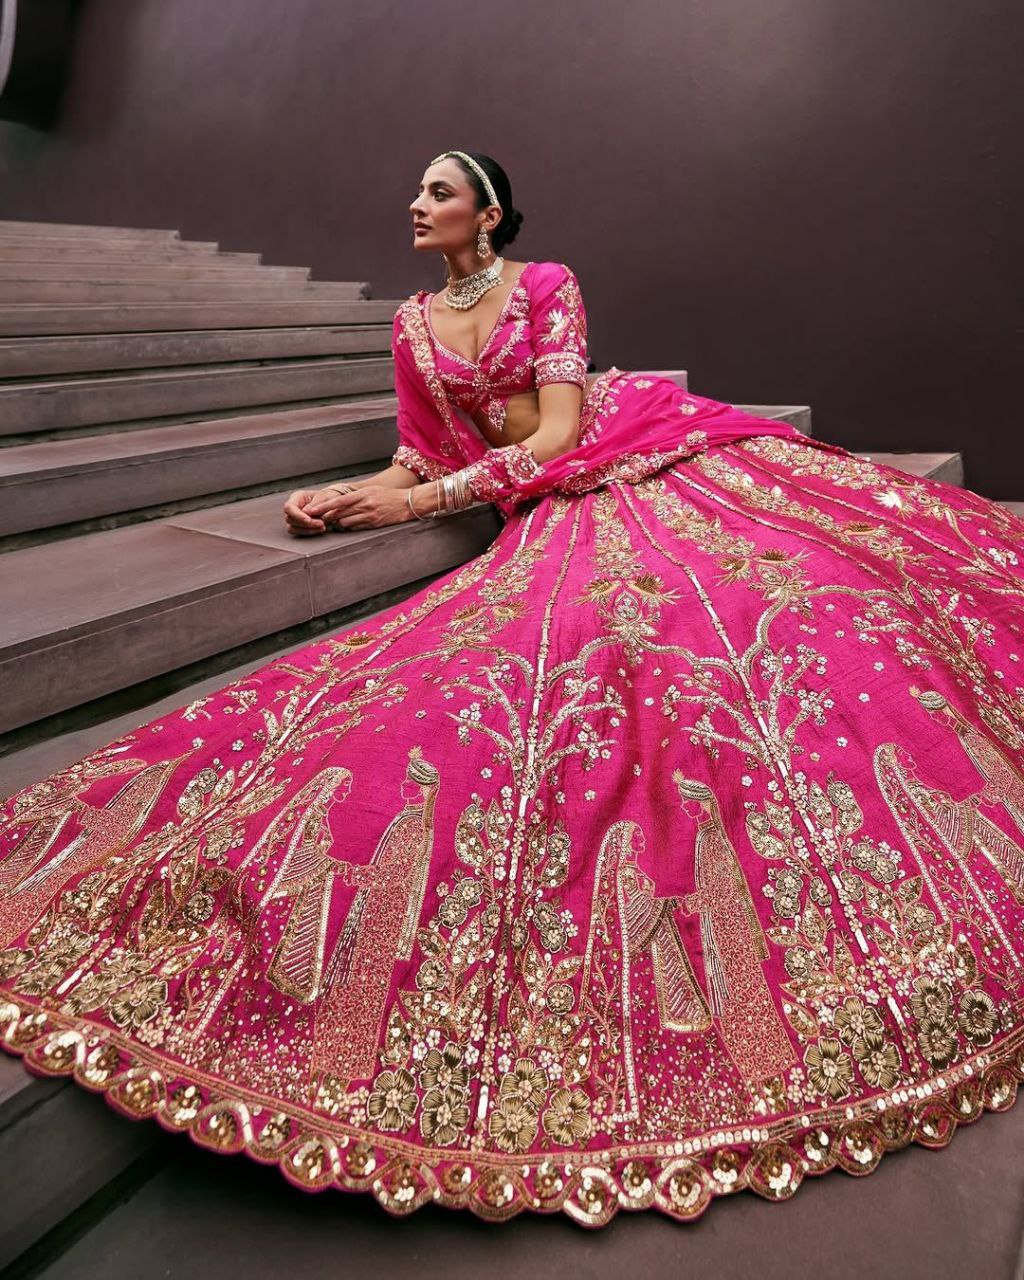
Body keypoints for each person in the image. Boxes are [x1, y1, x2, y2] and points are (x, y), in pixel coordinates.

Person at [1, 150, 1023, 1228]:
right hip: (524, 492)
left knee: (772, 584)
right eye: (417, 190)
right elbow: (416, 452)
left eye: (439, 192)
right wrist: (351, 494)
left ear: (486, 214)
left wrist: (416, 506)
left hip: (618, 455)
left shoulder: (547, 286)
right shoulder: (410, 324)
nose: (416, 203)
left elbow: (559, 435)